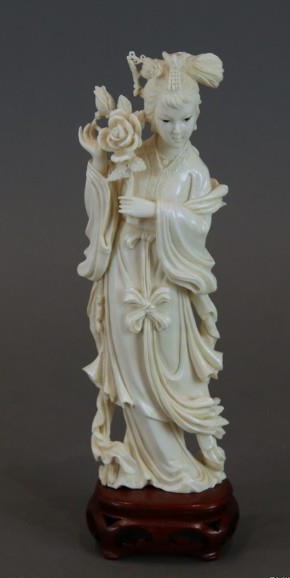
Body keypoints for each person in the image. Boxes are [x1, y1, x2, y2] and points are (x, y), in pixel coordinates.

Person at [78, 51, 229, 492]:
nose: (177, 130)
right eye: (166, 121)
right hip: (126, 275)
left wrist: (157, 212)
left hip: (166, 281)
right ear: (148, 116)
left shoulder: (194, 171)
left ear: (197, 118)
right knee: (132, 376)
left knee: (167, 373)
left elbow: (198, 228)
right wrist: (100, 161)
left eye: (185, 120)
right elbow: (104, 213)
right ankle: (147, 462)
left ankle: (176, 467)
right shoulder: (134, 158)